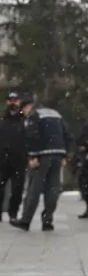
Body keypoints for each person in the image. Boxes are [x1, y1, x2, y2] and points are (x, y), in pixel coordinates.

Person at [12, 95, 71, 232]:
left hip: (42, 156)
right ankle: (48, 221)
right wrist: (65, 154)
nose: (23, 113)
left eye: (23, 110)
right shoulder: (56, 114)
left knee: (34, 189)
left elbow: (32, 136)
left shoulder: (33, 115)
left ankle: (25, 220)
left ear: (27, 106)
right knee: (53, 189)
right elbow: (67, 135)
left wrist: (33, 155)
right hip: (58, 155)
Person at [0, 92, 28, 222]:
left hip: (19, 160)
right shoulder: (2, 120)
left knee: (17, 190)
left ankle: (13, 214)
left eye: (15, 100)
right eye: (11, 100)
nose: (13, 103)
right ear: (7, 102)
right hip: (2, 160)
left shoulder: (24, 121)